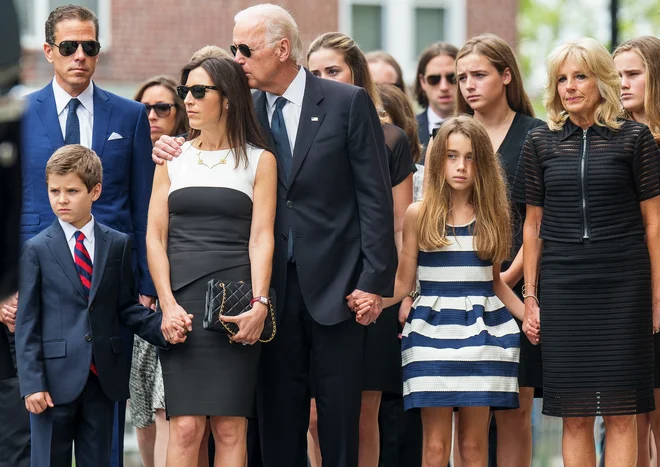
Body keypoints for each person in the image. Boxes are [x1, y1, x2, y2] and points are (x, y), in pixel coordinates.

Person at [151, 5, 396, 466]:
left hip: (338, 289)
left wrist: (374, 280)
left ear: (282, 49)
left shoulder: (346, 102)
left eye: (246, 49)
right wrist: (171, 142)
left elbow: (375, 199)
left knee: (339, 423)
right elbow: (204, 149)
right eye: (234, 49)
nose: (237, 58)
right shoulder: (245, 111)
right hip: (266, 294)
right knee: (277, 424)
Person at [514, 37, 660, 467]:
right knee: (573, 414)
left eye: (581, 76)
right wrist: (532, 296)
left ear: (603, 80)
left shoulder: (635, 139)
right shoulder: (540, 142)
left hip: (624, 283)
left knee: (622, 412)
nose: (570, 87)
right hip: (563, 285)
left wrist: (655, 293)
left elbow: (653, 222)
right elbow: (532, 224)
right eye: (562, 79)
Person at [19, 6, 155, 465]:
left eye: (90, 47)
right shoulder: (20, 113)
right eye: (69, 47)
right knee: (43, 437)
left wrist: (148, 287)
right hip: (39, 293)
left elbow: (142, 208)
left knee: (105, 439)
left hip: (110, 294)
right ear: (48, 51)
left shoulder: (131, 116)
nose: (80, 55)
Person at [357, 115, 524, 467]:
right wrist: (373, 297)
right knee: (433, 448)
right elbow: (403, 284)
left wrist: (531, 316)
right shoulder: (419, 214)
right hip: (430, 333)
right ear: (437, 161)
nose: (461, 166)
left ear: (484, 163)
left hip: (485, 335)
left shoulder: (494, 215)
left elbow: (495, 283)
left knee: (474, 447)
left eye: (470, 157)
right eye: (451, 156)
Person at [14, 145, 182, 467]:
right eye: (54, 191)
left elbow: (125, 307)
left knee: (100, 460)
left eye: (72, 191)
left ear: (95, 191)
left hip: (103, 378)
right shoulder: (35, 249)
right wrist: (32, 383)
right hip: (52, 382)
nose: (61, 199)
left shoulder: (118, 243)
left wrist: (161, 326)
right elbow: (27, 322)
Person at [147, 55, 276, 467]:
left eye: (200, 91)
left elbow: (261, 238)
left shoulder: (260, 160)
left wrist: (260, 304)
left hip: (234, 303)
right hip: (180, 303)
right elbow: (154, 236)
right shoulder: (172, 157)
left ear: (229, 99)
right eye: (186, 91)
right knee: (184, 427)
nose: (189, 99)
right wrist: (166, 304)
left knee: (229, 427)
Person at [307, 32, 414, 467]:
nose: (323, 80)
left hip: (372, 287)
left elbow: (399, 226)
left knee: (364, 412)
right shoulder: (300, 135)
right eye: (313, 73)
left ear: (357, 74)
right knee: (313, 415)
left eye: (333, 71)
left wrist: (397, 292)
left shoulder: (390, 139)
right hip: (313, 286)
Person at [455, 33, 545, 467]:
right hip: (455, 290)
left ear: (506, 75)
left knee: (515, 412)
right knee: (466, 416)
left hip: (516, 288)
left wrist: (504, 281)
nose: (468, 85)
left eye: (479, 74)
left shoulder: (536, 136)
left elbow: (540, 224)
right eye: (462, 78)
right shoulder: (451, 136)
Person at [129, 75, 189, 467]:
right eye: (144, 108)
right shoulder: (127, 156)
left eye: (162, 108)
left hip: (178, 290)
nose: (152, 116)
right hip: (133, 296)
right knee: (142, 404)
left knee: (168, 403)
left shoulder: (187, 156)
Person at [613, 36, 660, 467]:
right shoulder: (612, 140)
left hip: (657, 286)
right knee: (630, 416)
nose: (623, 84)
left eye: (633, 74)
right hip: (624, 290)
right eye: (618, 76)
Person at [414, 42, 459, 151]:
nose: (443, 87)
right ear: (422, 81)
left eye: (452, 78)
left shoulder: (482, 126)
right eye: (434, 79)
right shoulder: (408, 130)